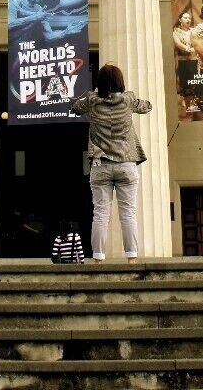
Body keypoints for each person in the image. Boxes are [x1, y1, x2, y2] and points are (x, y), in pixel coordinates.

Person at [71, 64, 150, 264]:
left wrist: (95, 93)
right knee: (128, 213)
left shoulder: (92, 100)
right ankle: (131, 257)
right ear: (120, 82)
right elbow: (147, 106)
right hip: (126, 164)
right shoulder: (129, 99)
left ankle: (98, 258)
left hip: (100, 164)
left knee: (100, 214)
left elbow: (74, 108)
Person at [171, 10, 199, 121]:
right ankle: (189, 110)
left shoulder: (194, 31)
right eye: (185, 18)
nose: (188, 20)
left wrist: (195, 49)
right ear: (180, 20)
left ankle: (195, 109)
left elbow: (198, 43)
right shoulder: (176, 31)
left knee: (196, 86)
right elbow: (178, 44)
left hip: (195, 62)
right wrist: (188, 49)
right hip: (184, 63)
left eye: (189, 18)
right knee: (187, 87)